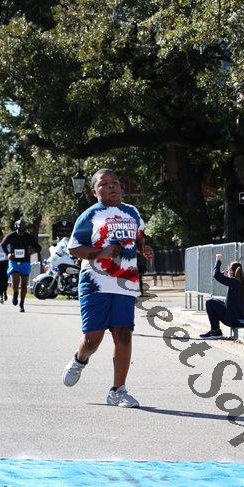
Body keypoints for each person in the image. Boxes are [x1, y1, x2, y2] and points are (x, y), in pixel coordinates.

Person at [62, 168, 145, 408]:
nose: (111, 186)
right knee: (93, 340)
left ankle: (118, 391)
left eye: (115, 182)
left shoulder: (132, 212)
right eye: (104, 184)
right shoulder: (90, 215)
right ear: (94, 191)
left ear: (121, 187)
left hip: (125, 281)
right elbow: (74, 249)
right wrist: (101, 253)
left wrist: (144, 249)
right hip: (95, 283)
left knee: (124, 334)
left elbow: (138, 238)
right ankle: (80, 359)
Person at [200, 253, 244, 339]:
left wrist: (218, 260)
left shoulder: (235, 282)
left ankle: (215, 331)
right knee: (214, 301)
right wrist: (226, 275)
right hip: (242, 320)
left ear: (231, 272)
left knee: (210, 303)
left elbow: (216, 275)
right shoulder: (242, 282)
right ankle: (215, 331)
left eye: (228, 270)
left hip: (236, 320)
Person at [2, 219, 42, 312]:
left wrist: (33, 251)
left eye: (23, 229)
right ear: (16, 227)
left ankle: (22, 304)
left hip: (25, 262)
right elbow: (3, 245)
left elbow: (38, 248)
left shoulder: (29, 237)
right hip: (14, 262)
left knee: (24, 285)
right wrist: (8, 254)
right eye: (19, 229)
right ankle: (15, 293)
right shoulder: (11, 236)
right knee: (15, 281)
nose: (21, 232)